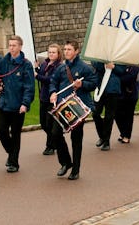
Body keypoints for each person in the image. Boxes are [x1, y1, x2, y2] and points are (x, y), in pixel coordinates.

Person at [49, 40, 98, 181]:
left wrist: (82, 83)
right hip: (62, 106)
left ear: (76, 51)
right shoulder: (61, 67)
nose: (66, 52)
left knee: (76, 139)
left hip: (77, 106)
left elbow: (94, 83)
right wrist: (53, 92)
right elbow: (53, 82)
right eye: (65, 49)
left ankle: (75, 169)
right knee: (55, 134)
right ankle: (66, 162)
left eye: (69, 49)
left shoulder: (84, 68)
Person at [0, 35, 35, 173]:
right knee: (1, 130)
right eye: (10, 45)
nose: (11, 48)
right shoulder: (3, 62)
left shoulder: (26, 65)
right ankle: (11, 153)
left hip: (18, 105)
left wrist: (25, 103)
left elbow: (29, 87)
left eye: (14, 45)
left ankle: (14, 162)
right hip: (4, 103)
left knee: (16, 133)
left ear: (20, 46)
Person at [35, 43, 62, 155]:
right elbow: (41, 74)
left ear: (58, 54)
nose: (51, 54)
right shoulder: (45, 63)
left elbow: (50, 79)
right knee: (43, 123)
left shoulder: (58, 66)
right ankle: (54, 141)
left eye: (53, 52)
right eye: (49, 52)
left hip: (52, 98)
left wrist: (37, 76)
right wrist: (37, 68)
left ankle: (50, 146)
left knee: (49, 123)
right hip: (43, 96)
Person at [91, 61, 123, 151]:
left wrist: (114, 67)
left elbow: (122, 70)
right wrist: (105, 64)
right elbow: (94, 63)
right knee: (95, 113)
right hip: (100, 87)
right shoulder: (101, 51)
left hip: (112, 89)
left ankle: (106, 141)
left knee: (109, 116)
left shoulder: (118, 53)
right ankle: (102, 136)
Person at [115, 64, 139, 143]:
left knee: (128, 116)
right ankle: (123, 133)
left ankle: (126, 136)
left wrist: (117, 78)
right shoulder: (119, 63)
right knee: (117, 114)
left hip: (131, 94)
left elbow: (129, 77)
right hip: (120, 94)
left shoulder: (135, 65)